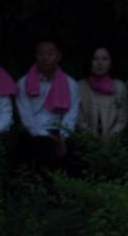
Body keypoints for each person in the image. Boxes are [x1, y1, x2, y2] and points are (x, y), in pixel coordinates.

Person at [16, 39, 80, 168]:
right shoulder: (23, 83)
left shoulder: (71, 84)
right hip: (34, 131)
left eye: (50, 54)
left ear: (58, 57)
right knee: (40, 147)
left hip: (60, 130)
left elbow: (71, 115)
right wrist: (47, 136)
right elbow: (26, 117)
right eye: (41, 54)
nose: (45, 58)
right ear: (36, 56)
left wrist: (62, 136)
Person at [78, 48, 128, 138]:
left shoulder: (120, 86)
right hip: (85, 141)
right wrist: (92, 137)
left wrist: (110, 137)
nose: (99, 63)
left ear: (111, 63)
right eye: (95, 58)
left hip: (113, 143)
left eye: (104, 59)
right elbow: (79, 119)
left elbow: (122, 119)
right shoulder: (80, 86)